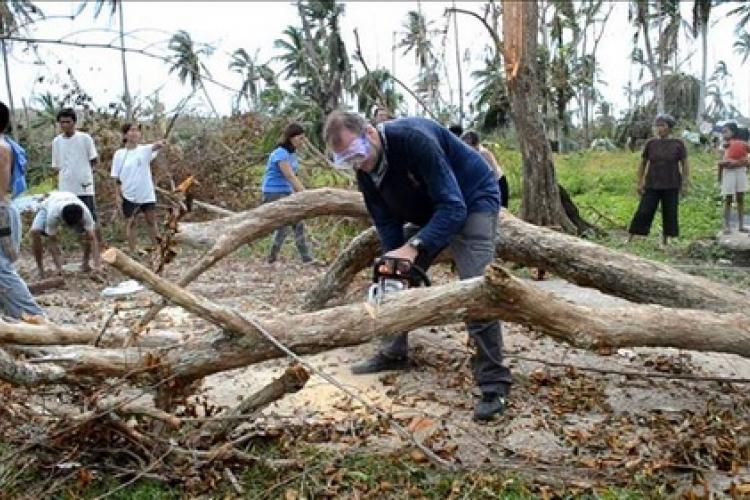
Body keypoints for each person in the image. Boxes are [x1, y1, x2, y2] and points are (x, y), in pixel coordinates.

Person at [323, 111, 512, 421]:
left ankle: (495, 383)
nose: (357, 164)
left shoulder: (414, 140)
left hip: (473, 199)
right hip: (434, 208)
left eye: (356, 155)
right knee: (389, 273)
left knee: (476, 290)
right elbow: (385, 222)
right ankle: (393, 351)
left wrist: (414, 248)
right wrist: (395, 258)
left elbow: (454, 207)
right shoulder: (366, 170)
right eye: (347, 161)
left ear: (370, 133)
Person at [0, 102, 44, 319]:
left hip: (1, 213)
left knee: (1, 270)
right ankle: (13, 320)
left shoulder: (1, 148)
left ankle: (33, 317)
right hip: (5, 211)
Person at [627, 114, 689, 247]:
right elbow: (643, 163)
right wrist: (639, 182)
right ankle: (631, 237)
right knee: (644, 210)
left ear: (669, 128)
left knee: (670, 212)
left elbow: (685, 164)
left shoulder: (678, 144)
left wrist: (685, 183)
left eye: (662, 125)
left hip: (671, 183)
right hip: (652, 183)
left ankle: (665, 240)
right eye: (658, 125)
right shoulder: (651, 143)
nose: (659, 128)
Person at [261, 122, 314, 264]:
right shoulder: (280, 154)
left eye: (303, 139)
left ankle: (306, 258)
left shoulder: (292, 154)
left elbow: (294, 176)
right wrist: (306, 194)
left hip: (286, 191)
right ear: (291, 137)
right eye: (300, 138)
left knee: (298, 223)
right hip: (274, 192)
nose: (302, 142)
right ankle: (273, 257)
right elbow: (290, 176)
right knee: (284, 226)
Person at [52, 108, 100, 261]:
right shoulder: (57, 142)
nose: (65, 125)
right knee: (73, 225)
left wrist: (86, 176)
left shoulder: (85, 138)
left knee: (90, 223)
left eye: (68, 122)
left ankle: (93, 258)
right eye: (62, 122)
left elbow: (94, 160)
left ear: (74, 122)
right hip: (66, 190)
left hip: (84, 188)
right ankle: (76, 258)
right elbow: (57, 166)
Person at [111, 123, 165, 252]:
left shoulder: (144, 150)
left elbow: (156, 146)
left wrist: (160, 143)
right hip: (128, 194)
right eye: (131, 130)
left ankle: (158, 249)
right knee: (131, 223)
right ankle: (133, 251)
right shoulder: (119, 154)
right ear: (125, 135)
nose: (134, 133)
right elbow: (116, 178)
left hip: (146, 194)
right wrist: (118, 196)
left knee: (151, 221)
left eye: (137, 131)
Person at [30, 191, 101, 279]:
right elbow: (52, 241)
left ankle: (85, 264)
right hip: (48, 204)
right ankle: (40, 270)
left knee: (88, 234)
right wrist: (59, 268)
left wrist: (97, 266)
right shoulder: (53, 215)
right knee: (35, 231)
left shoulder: (85, 213)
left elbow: (92, 238)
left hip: (68, 198)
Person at [461, 130, 509, 209]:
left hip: (498, 184)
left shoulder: (483, 154)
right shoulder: (473, 154)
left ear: (475, 144)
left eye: (467, 145)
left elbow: (490, 176)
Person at [717, 122, 750, 234]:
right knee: (728, 199)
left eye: (726, 131)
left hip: (740, 172)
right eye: (723, 132)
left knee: (740, 198)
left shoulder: (742, 144)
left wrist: (740, 162)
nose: (724, 134)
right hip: (729, 172)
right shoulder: (723, 145)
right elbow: (720, 161)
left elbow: (747, 159)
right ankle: (727, 226)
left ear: (733, 132)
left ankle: (741, 225)